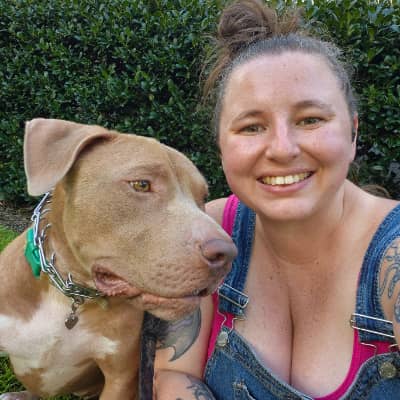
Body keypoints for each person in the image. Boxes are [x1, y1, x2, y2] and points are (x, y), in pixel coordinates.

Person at [153, 0, 400, 398]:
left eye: (310, 120)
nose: (282, 149)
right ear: (221, 147)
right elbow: (174, 372)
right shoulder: (207, 235)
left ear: (353, 133)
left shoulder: (393, 258)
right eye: (252, 127)